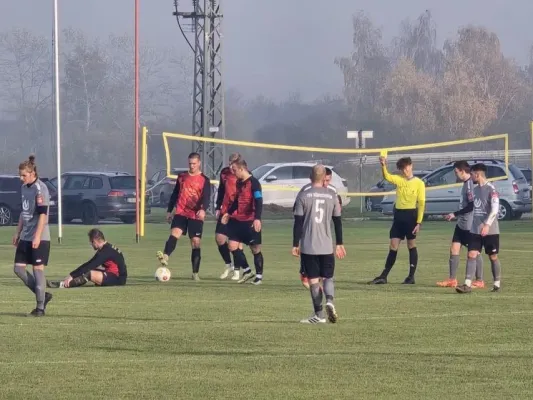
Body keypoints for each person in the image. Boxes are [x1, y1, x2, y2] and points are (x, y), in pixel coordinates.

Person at [292, 164, 346, 324]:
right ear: (324, 178)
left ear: (310, 177)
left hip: (309, 245)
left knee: (314, 280)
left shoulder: (303, 195)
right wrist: (340, 243)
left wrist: (295, 244)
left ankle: (319, 315)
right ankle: (330, 300)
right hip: (327, 245)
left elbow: (298, 223)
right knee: (328, 277)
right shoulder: (332, 196)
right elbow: (337, 222)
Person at [368, 156, 425, 285]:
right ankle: (384, 276)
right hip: (399, 216)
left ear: (411, 166)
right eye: (401, 169)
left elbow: (421, 203)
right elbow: (387, 176)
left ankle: (411, 276)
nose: (404, 171)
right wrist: (383, 165)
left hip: (411, 215)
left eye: (405, 168)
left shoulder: (419, 183)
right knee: (393, 245)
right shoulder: (399, 180)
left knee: (411, 245)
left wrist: (419, 222)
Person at [157, 152, 211, 281]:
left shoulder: (204, 180)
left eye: (194, 163)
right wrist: (169, 210)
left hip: (195, 215)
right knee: (175, 233)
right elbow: (175, 194)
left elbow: (207, 197)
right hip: (181, 212)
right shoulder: (182, 177)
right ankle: (165, 257)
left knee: (196, 242)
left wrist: (203, 209)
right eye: (190, 163)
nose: (191, 166)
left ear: (199, 163)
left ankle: (195, 273)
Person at [13, 155, 53, 317]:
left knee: (37, 270)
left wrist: (37, 236)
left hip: (40, 237)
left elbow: (43, 215)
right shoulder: (24, 188)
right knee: (18, 269)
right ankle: (43, 295)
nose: (21, 178)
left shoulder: (40, 188)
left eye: (23, 175)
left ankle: (40, 308)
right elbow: (24, 212)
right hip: (25, 236)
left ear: (32, 173)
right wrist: (18, 232)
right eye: (20, 175)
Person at [437, 161, 484, 288]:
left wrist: (454, 214)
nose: (456, 175)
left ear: (462, 171)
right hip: (461, 224)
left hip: (469, 225)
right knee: (454, 248)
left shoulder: (469, 185)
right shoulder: (465, 184)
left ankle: (479, 280)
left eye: (456, 172)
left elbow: (471, 206)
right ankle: (452, 279)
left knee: (475, 252)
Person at [456, 163, 502, 293]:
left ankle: (497, 283)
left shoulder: (492, 189)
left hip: (490, 230)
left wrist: (487, 225)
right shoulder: (475, 191)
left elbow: (495, 209)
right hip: (475, 229)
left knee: (492, 256)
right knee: (471, 255)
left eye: (472, 174)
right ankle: (467, 284)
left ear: (477, 174)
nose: (471, 177)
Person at [296, 167, 342, 289]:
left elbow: (337, 213)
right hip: (308, 238)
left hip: (324, 238)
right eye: (325, 180)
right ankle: (320, 292)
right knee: (309, 276)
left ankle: (319, 296)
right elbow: (298, 214)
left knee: (323, 275)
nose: (326, 183)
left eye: (329, 180)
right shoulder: (306, 190)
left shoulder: (332, 191)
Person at [221, 158, 264, 285]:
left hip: (250, 220)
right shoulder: (239, 182)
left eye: (234, 170)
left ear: (241, 169)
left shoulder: (254, 183)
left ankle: (259, 277)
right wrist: (228, 213)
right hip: (239, 219)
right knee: (232, 245)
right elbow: (236, 201)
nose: (233, 173)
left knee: (255, 249)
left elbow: (259, 201)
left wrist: (257, 218)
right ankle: (247, 270)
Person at [47, 229, 127, 288]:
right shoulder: (107, 248)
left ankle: (63, 285)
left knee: (89, 273)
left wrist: (72, 275)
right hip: (115, 275)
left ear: (95, 240)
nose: (91, 244)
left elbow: (89, 265)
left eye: (91, 242)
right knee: (89, 271)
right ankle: (65, 282)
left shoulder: (105, 252)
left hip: (118, 279)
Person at [215, 153, 250, 281]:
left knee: (235, 244)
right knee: (219, 238)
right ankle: (228, 265)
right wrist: (218, 207)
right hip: (225, 210)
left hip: (238, 212)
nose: (231, 166)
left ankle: (238, 270)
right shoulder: (224, 173)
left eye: (233, 163)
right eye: (229, 162)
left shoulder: (245, 175)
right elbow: (221, 190)